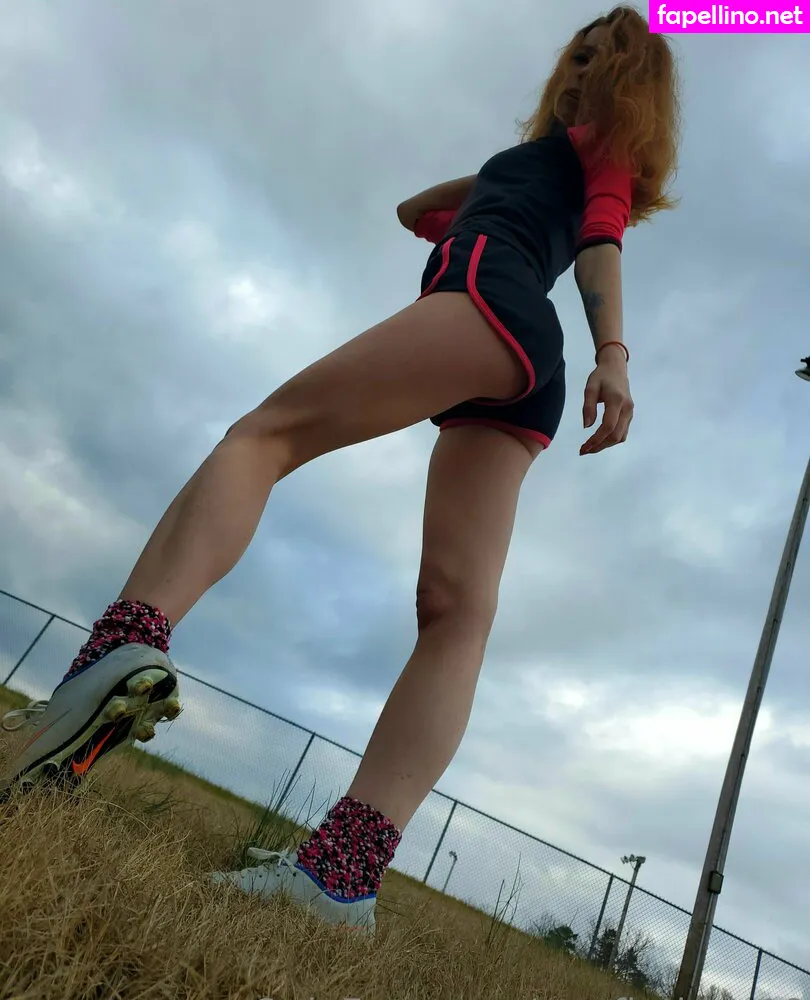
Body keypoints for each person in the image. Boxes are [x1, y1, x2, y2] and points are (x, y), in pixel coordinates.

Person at [1, 5, 680, 935]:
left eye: (604, 61)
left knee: (263, 437)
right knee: (456, 611)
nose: (582, 69)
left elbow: (599, 240)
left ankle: (118, 649)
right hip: (527, 369)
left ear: (631, 89)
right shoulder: (544, 165)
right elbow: (415, 212)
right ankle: (342, 874)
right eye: (578, 53)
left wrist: (615, 354)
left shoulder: (603, 155)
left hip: (493, 304)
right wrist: (499, 173)